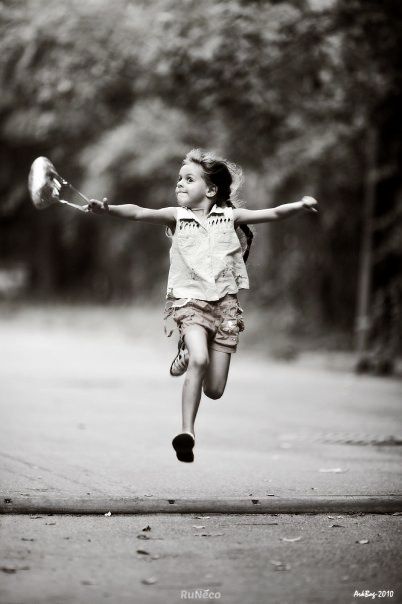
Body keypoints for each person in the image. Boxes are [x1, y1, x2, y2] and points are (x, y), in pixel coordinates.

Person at [87, 148, 318, 463]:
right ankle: (187, 432)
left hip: (225, 310)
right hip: (189, 303)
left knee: (215, 390)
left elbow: (274, 213)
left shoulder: (230, 217)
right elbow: (139, 212)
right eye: (179, 179)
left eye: (188, 179)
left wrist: (300, 206)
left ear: (210, 190)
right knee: (199, 359)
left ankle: (188, 354)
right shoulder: (177, 216)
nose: (180, 184)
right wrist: (108, 209)